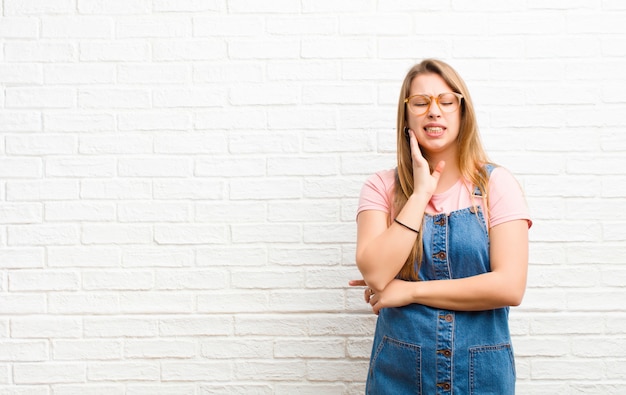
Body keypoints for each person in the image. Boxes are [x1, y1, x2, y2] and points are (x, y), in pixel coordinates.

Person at [349, 59, 531, 394]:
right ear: (406, 116)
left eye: (446, 102)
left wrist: (410, 290)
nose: (434, 111)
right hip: (398, 375)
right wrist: (420, 193)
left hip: (481, 376)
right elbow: (376, 274)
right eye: (420, 103)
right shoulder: (380, 188)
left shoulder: (497, 185)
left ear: (463, 112)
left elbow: (509, 286)